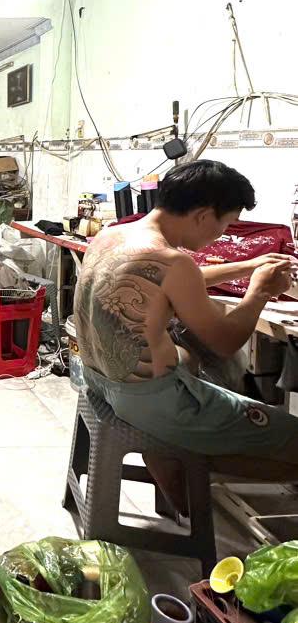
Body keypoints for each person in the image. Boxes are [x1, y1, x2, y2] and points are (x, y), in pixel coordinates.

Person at [74, 159, 297, 488]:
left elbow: (163, 281)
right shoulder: (173, 261)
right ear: (203, 216)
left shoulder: (113, 235)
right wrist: (260, 292)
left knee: (188, 358)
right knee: (292, 437)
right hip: (154, 403)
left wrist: (247, 266)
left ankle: (178, 472)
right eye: (227, 223)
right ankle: (184, 466)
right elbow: (225, 341)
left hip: (101, 382)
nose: (222, 234)